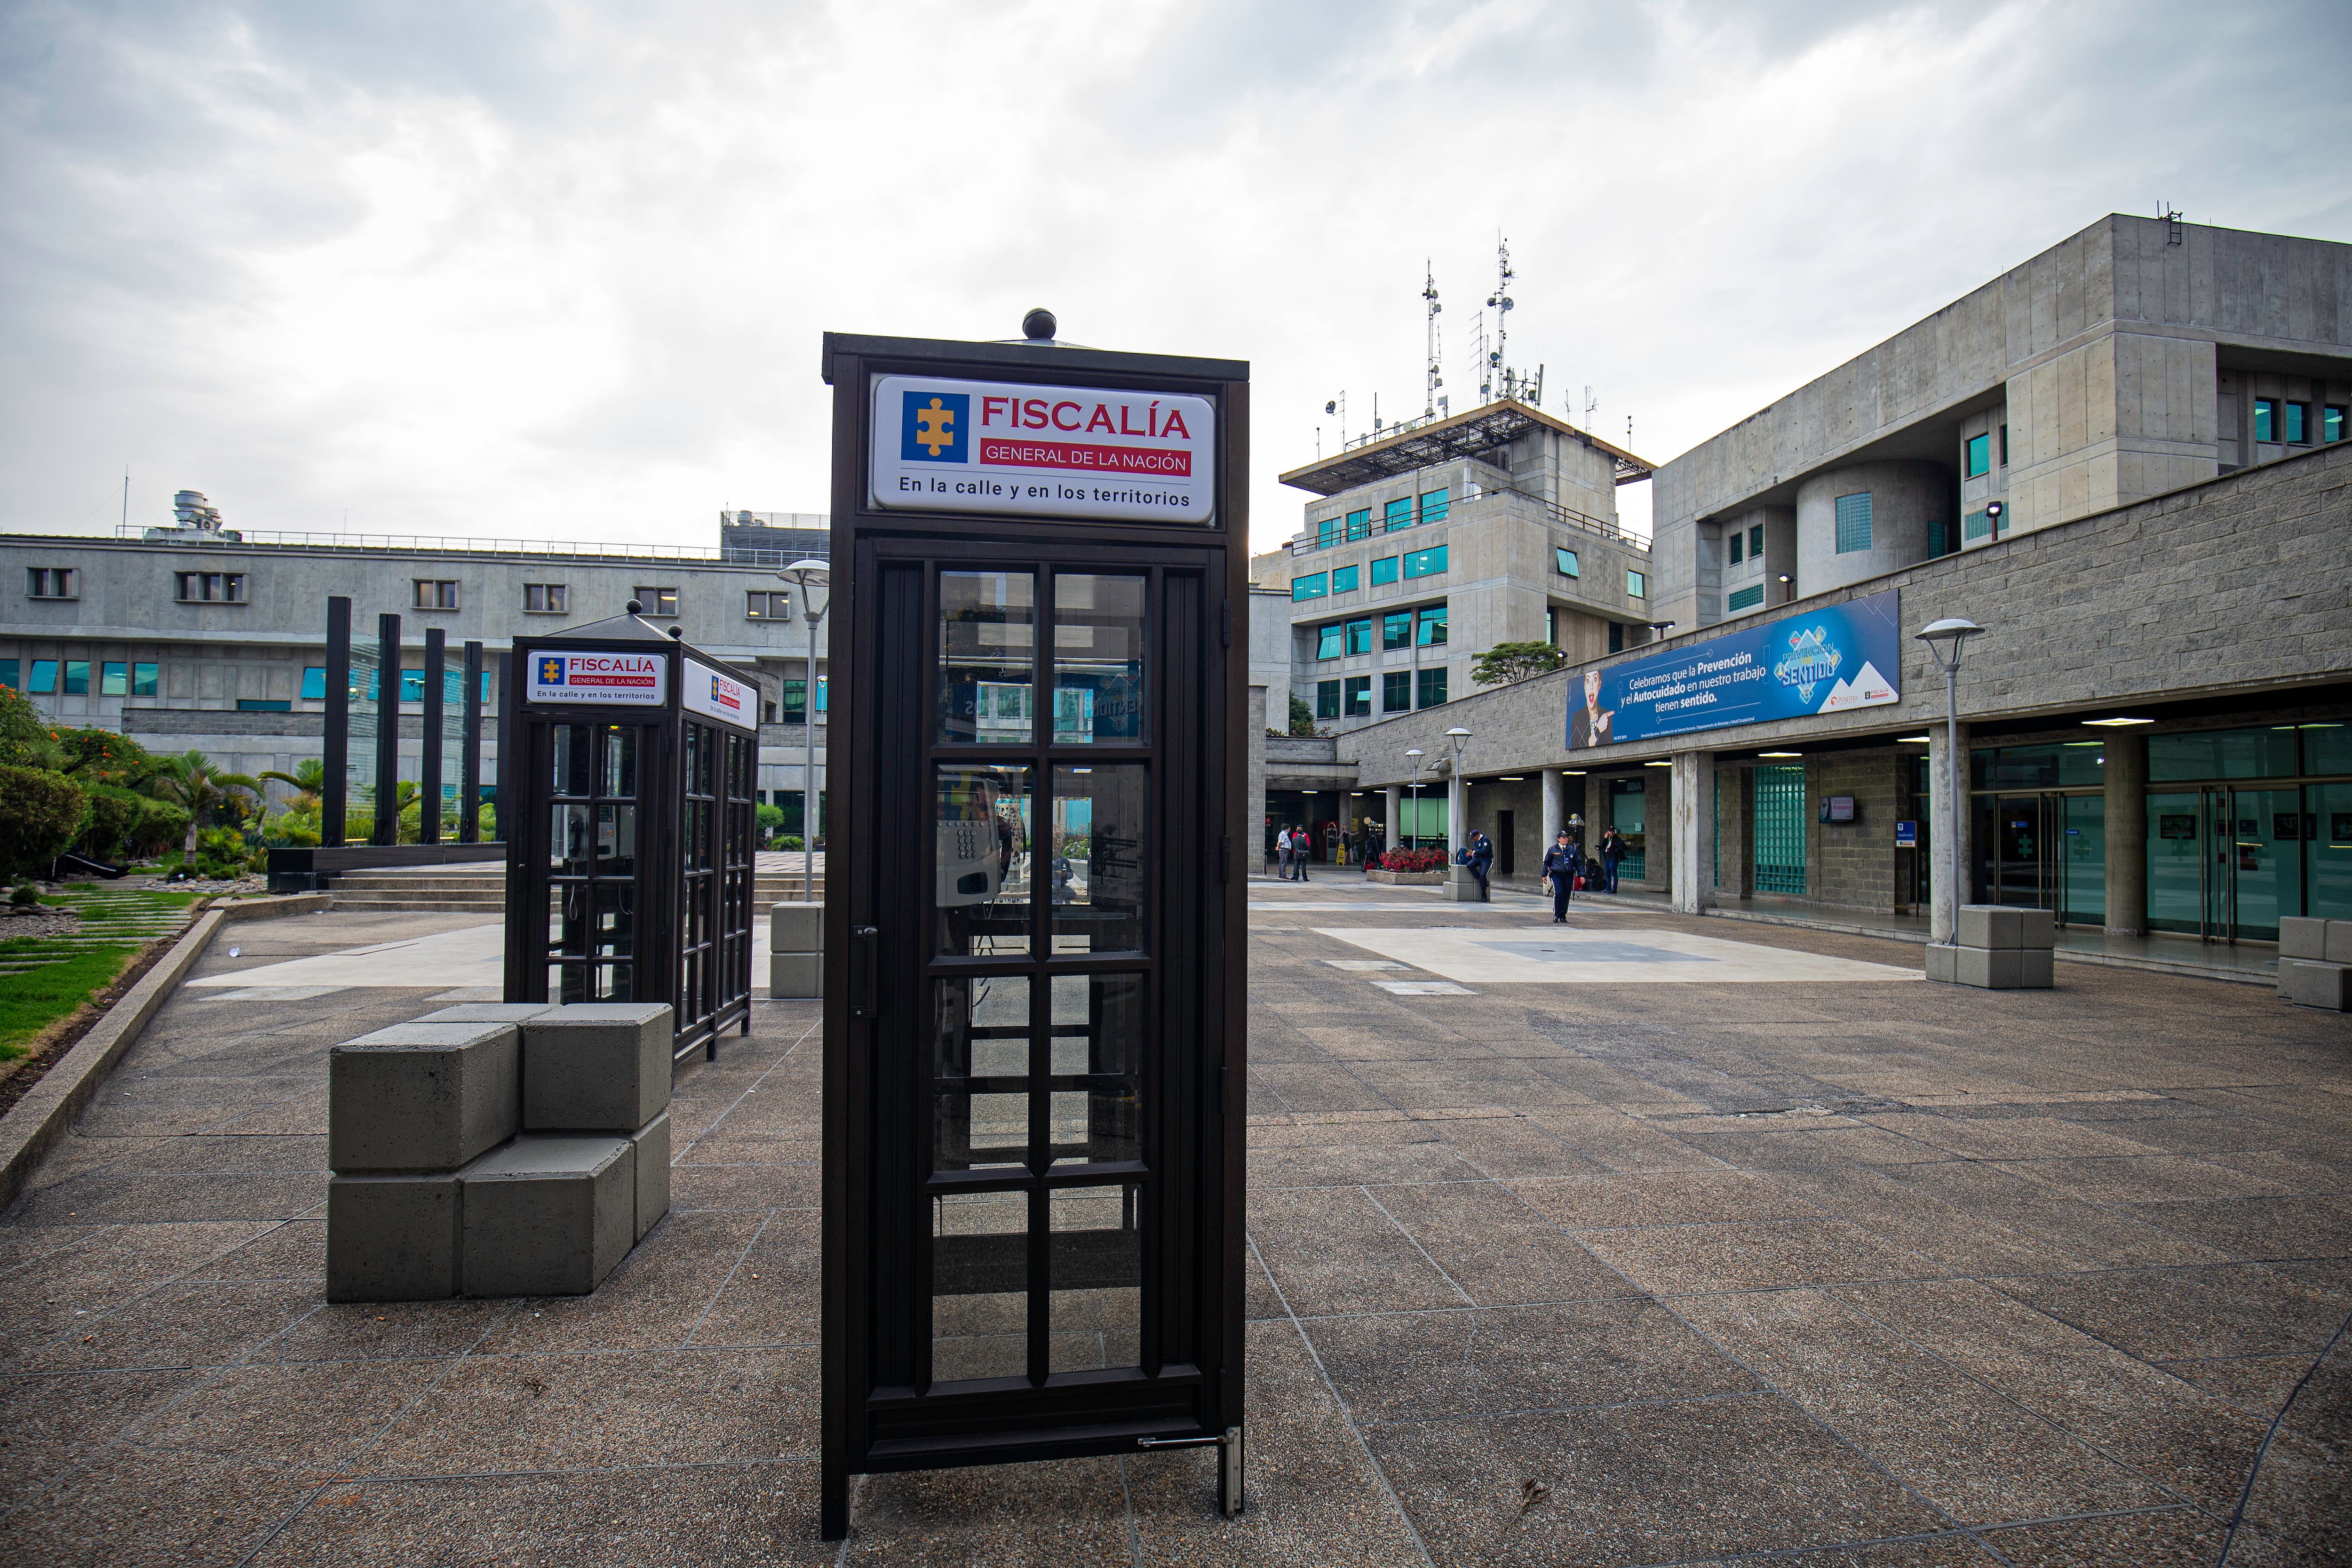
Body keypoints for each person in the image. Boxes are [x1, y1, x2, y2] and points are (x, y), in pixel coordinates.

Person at [1569, 668, 1615, 750]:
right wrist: (1598, 730)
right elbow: (1576, 751)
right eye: (1588, 681)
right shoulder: (1577, 717)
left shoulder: (1607, 717)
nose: (1591, 687)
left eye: (1595, 679)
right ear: (1584, 686)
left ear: (1600, 684)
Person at [1542, 829, 1581, 922]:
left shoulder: (1572, 850)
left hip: (1568, 875)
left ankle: (1563, 915)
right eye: (1564, 837)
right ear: (1559, 839)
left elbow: (1578, 863)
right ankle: (1557, 914)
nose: (1566, 839)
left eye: (1567, 837)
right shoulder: (1552, 850)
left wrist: (1582, 875)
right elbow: (1547, 863)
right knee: (1559, 893)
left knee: (1566, 894)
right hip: (1557, 874)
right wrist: (1544, 875)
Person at [1599, 825, 1627, 893]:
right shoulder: (1607, 838)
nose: (1611, 833)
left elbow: (1623, 845)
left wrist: (1616, 850)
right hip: (1608, 858)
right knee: (1607, 873)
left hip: (1614, 858)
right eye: (1610, 831)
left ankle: (1614, 888)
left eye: (1613, 831)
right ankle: (1608, 887)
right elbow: (1601, 846)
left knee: (1614, 873)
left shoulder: (1617, 839)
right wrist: (1605, 838)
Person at [1469, 828, 1494, 901]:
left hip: (1486, 859)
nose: (1473, 839)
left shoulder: (1486, 840)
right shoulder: (1477, 841)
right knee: (1470, 865)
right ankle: (1481, 880)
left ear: (1477, 836)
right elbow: (1476, 849)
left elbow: (1484, 851)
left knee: (1483, 875)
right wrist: (1470, 852)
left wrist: (1475, 851)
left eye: (1473, 838)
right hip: (1479, 858)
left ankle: (1484, 894)